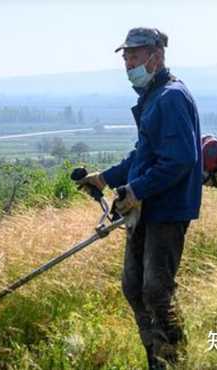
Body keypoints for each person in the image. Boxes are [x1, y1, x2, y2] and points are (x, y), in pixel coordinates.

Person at [76, 27, 202, 370]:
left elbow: (179, 159)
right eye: (125, 57)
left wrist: (134, 191)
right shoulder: (153, 96)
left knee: (157, 291)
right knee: (134, 287)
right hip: (145, 208)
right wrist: (105, 178)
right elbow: (143, 155)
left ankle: (173, 362)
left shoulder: (172, 97)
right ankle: (155, 359)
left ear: (155, 57)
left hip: (167, 209)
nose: (127, 63)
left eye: (133, 55)